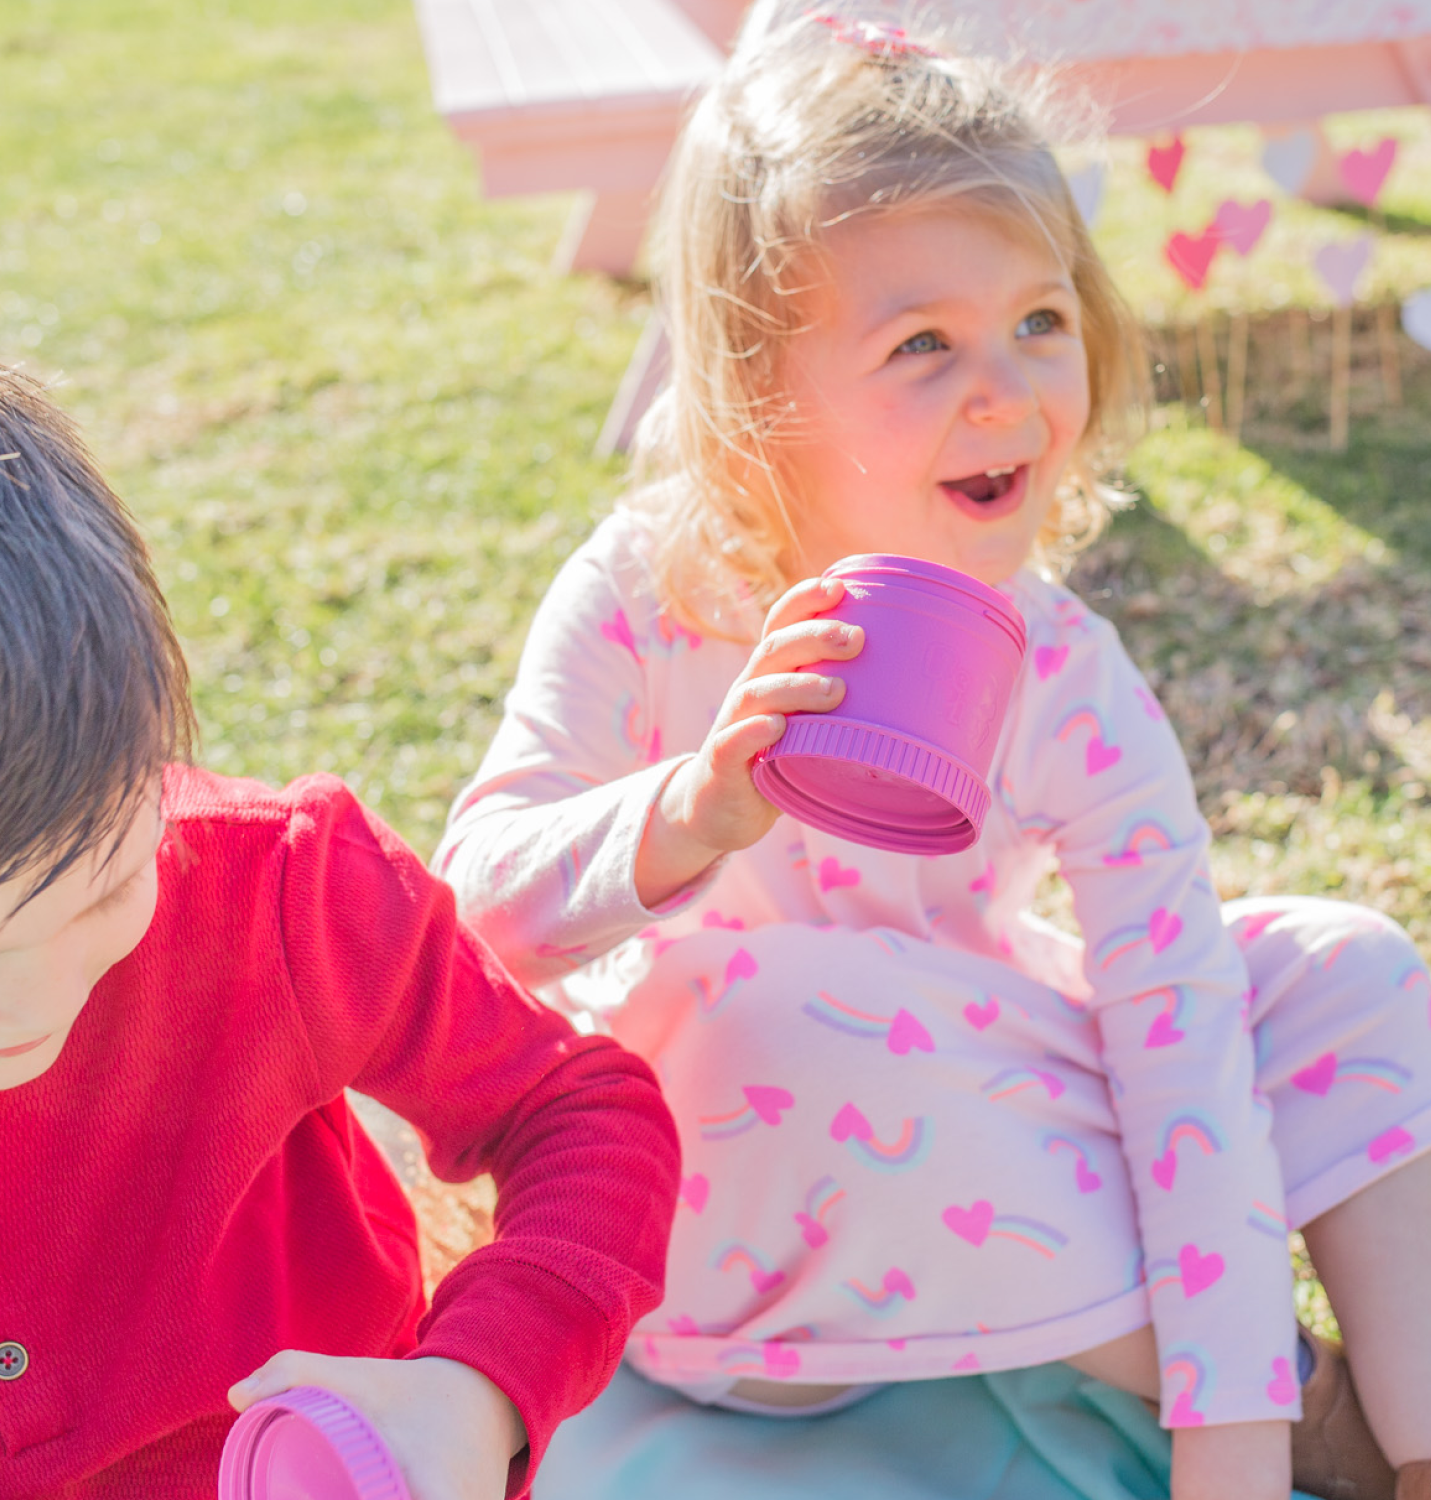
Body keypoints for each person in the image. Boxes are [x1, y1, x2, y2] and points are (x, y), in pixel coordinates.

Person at [433, 10, 1431, 1500]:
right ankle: (1296, 1402)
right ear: (761, 394)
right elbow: (471, 912)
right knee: (765, 1005)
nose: (1008, 389)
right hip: (741, 1216)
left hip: (991, 1131)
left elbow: (1180, 1040)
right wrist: (692, 809)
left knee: (1334, 963)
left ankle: (1402, 1443)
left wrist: (1228, 1473)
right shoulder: (650, 591)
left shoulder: (1062, 668)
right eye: (922, 344)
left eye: (1040, 320)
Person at [0, 340, 680, 1500]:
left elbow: (581, 1113)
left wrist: (481, 1386)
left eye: (100, 890)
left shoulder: (279, 890)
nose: (26, 1004)